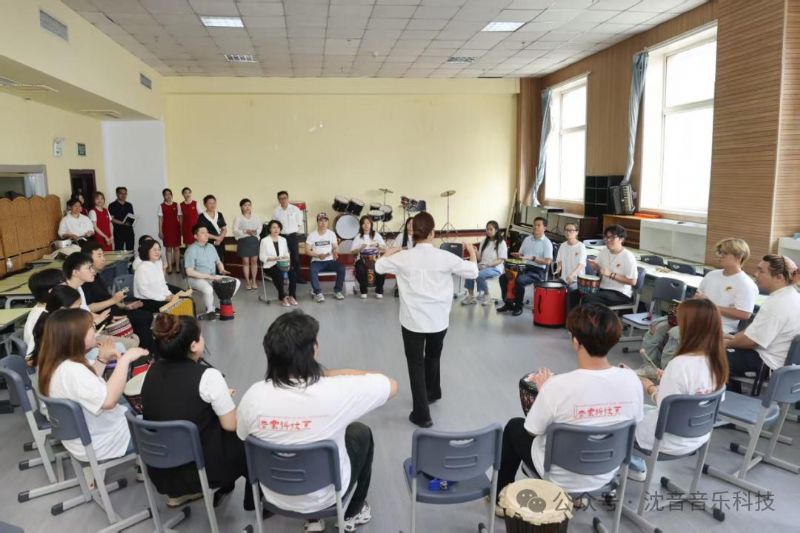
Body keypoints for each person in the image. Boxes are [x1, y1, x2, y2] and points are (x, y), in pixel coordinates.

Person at [236, 311, 397, 531]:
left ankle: (313, 521)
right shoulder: (336, 392)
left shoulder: (253, 396)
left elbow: (242, 435)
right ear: (313, 350)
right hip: (326, 495)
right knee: (360, 432)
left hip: (273, 494)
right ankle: (353, 512)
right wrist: (328, 374)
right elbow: (390, 384)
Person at [497, 304, 644, 497]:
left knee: (514, 427)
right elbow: (635, 424)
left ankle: (499, 496)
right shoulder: (631, 379)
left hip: (559, 475)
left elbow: (532, 430)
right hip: (607, 471)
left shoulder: (557, 386)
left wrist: (544, 391)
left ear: (575, 342)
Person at [142, 314, 264, 513]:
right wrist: (225, 400)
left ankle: (219, 488)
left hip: (160, 471)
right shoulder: (208, 377)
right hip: (200, 472)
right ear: (193, 345)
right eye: (200, 336)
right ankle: (254, 501)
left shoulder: (152, 370)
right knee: (247, 438)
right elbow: (230, 425)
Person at [375, 212, 478, 427]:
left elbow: (379, 266)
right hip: (438, 321)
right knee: (433, 356)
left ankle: (422, 414)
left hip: (412, 322)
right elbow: (473, 272)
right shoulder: (445, 257)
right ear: (432, 233)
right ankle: (432, 392)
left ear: (412, 233)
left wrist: (389, 251)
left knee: (416, 364)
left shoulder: (403, 257)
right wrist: (471, 252)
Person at [627, 299, 729, 481]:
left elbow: (664, 405)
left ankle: (632, 467)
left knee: (621, 417)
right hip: (698, 437)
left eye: (680, 323)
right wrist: (667, 378)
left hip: (665, 440)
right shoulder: (717, 362)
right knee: (644, 410)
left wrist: (649, 387)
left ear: (690, 328)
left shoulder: (680, 364)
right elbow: (698, 399)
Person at [37, 308, 148, 462]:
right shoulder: (73, 370)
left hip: (86, 438)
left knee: (139, 405)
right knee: (162, 415)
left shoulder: (57, 363)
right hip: (104, 442)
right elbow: (108, 401)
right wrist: (125, 360)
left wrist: (102, 359)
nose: (95, 331)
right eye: (91, 328)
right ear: (76, 336)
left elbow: (86, 384)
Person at [639, 238, 758, 377]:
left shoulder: (745, 284)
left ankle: (669, 375)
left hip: (718, 325)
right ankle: (651, 368)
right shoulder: (712, 275)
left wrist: (710, 304)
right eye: (720, 253)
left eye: (724, 254)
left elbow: (744, 314)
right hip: (696, 319)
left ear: (738, 257)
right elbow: (697, 299)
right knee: (656, 326)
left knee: (676, 334)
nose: (719, 256)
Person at [724, 255, 800, 392]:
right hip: (779, 361)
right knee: (725, 340)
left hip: (766, 363)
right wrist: (731, 338)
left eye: (761, 271)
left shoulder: (777, 303)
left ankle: (724, 398)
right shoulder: (792, 296)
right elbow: (753, 334)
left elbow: (752, 341)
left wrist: (726, 343)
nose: (755, 274)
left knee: (709, 355)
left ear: (779, 277)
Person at [79, 241, 155, 349]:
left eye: (103, 255)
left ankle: (144, 348)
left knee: (146, 315)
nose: (103, 259)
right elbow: (89, 307)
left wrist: (125, 306)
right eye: (99, 256)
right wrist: (113, 301)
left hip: (114, 311)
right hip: (105, 318)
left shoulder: (96, 276)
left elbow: (107, 298)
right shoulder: (85, 282)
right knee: (142, 318)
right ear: (88, 259)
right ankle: (145, 350)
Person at [497, 217, 553, 316]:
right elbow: (521, 254)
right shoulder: (527, 239)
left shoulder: (547, 243)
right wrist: (518, 255)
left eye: (538, 225)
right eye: (534, 224)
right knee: (503, 278)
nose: (535, 227)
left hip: (537, 270)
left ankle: (518, 306)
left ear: (544, 228)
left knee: (520, 280)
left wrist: (533, 258)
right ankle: (508, 304)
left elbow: (548, 261)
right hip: (523, 267)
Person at [185, 224, 240, 320]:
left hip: (212, 276)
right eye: (203, 233)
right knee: (208, 289)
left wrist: (221, 269)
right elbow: (189, 272)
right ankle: (210, 310)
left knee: (236, 282)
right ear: (195, 236)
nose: (206, 235)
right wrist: (208, 277)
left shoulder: (211, 247)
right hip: (195, 279)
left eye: (207, 232)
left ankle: (223, 302)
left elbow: (218, 261)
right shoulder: (191, 250)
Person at [584, 224, 639, 307]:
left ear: (621, 239)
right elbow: (600, 270)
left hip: (620, 294)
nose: (608, 240)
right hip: (603, 289)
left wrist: (611, 274)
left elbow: (633, 282)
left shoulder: (628, 256)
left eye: (612, 237)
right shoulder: (604, 251)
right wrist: (595, 266)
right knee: (576, 293)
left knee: (589, 299)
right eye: (606, 237)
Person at [133, 239, 189, 312]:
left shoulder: (158, 263)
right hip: (146, 300)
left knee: (185, 299)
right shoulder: (142, 268)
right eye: (154, 250)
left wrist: (169, 294)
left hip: (158, 296)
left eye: (159, 249)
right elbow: (143, 291)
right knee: (178, 306)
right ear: (146, 251)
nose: (157, 252)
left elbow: (162, 283)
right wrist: (164, 298)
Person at [462, 220, 507, 306]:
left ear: (496, 230)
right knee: (470, 270)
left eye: (491, 229)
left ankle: (487, 296)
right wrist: (475, 252)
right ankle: (471, 296)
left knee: (480, 275)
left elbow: (500, 260)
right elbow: (480, 259)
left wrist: (488, 265)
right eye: (487, 229)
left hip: (495, 268)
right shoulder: (484, 242)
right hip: (483, 266)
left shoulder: (501, 243)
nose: (488, 231)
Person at [23, 268, 66, 357]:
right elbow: (33, 356)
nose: (68, 286)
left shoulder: (48, 308)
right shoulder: (43, 316)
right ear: (52, 291)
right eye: (63, 283)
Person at [306, 213, 346, 302]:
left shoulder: (331, 234)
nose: (323, 223)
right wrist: (318, 255)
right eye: (321, 221)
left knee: (341, 268)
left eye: (325, 221)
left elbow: (336, 247)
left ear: (328, 222)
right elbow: (307, 251)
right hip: (317, 261)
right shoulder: (312, 235)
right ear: (317, 222)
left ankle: (337, 291)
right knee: (312, 270)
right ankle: (318, 293)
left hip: (330, 260)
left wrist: (335, 251)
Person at [259, 220, 297, 307]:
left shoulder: (283, 239)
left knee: (293, 274)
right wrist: (272, 258)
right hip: (270, 265)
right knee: (278, 274)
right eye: (274, 227)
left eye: (278, 227)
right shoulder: (264, 241)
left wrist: (285, 257)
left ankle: (291, 296)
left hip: (283, 264)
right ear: (270, 229)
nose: (276, 229)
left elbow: (286, 253)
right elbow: (261, 256)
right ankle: (283, 297)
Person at [272, 191, 306, 284]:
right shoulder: (276, 211)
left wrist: (292, 230)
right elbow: (275, 225)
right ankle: (282, 278)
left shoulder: (295, 209)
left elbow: (299, 222)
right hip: (281, 237)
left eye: (285, 198)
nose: (283, 200)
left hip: (292, 236)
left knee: (295, 258)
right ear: (278, 200)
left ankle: (297, 277)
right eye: (281, 198)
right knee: (282, 257)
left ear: (288, 198)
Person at [554, 222, 587, 313]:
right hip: (564, 278)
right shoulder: (563, 245)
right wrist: (558, 268)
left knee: (571, 291)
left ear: (576, 232)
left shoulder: (581, 246)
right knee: (552, 288)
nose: (568, 232)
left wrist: (572, 275)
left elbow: (581, 264)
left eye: (571, 230)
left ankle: (570, 317)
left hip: (577, 280)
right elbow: (559, 260)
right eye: (566, 230)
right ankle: (557, 315)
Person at [351, 216, 387, 299]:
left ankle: (379, 290)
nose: (366, 225)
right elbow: (352, 251)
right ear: (361, 225)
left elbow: (385, 248)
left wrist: (377, 245)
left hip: (375, 257)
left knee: (382, 267)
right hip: (363, 258)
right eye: (364, 223)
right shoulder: (358, 236)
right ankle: (363, 290)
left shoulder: (376, 235)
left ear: (371, 224)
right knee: (359, 268)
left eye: (368, 223)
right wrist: (360, 248)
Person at [233, 198, 262, 290]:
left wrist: (254, 232)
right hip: (243, 241)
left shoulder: (256, 216)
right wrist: (245, 231)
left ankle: (254, 281)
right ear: (241, 207)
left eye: (249, 205)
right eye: (245, 205)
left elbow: (260, 228)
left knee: (254, 261)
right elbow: (235, 230)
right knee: (245, 262)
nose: (247, 207)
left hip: (254, 240)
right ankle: (248, 281)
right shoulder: (238, 217)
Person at [196, 194, 228, 264]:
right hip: (208, 243)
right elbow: (203, 232)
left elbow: (224, 229)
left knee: (220, 261)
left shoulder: (219, 214)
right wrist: (217, 238)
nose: (212, 205)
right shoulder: (201, 216)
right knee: (210, 263)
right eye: (210, 203)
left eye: (214, 203)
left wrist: (220, 238)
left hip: (220, 243)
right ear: (205, 204)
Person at [158, 188, 181, 274]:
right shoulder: (161, 206)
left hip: (176, 228)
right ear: (164, 196)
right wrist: (160, 231)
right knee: (168, 248)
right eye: (166, 194)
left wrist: (181, 229)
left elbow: (180, 218)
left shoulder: (176, 205)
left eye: (169, 194)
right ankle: (170, 267)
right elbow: (160, 220)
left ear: (172, 195)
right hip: (166, 229)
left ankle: (177, 267)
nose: (168, 196)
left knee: (177, 248)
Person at [108, 186, 135, 251]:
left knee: (130, 250)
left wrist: (133, 221)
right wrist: (122, 223)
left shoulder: (129, 205)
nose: (123, 195)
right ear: (117, 194)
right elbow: (111, 219)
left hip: (129, 231)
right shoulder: (112, 205)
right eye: (121, 193)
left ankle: (131, 258)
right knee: (119, 250)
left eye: (125, 193)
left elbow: (131, 217)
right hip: (118, 231)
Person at [394, 217, 415, 298]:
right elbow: (394, 249)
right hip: (403, 260)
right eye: (409, 223)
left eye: (413, 224)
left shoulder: (418, 236)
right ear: (406, 225)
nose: (410, 226)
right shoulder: (401, 236)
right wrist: (401, 249)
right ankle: (398, 287)